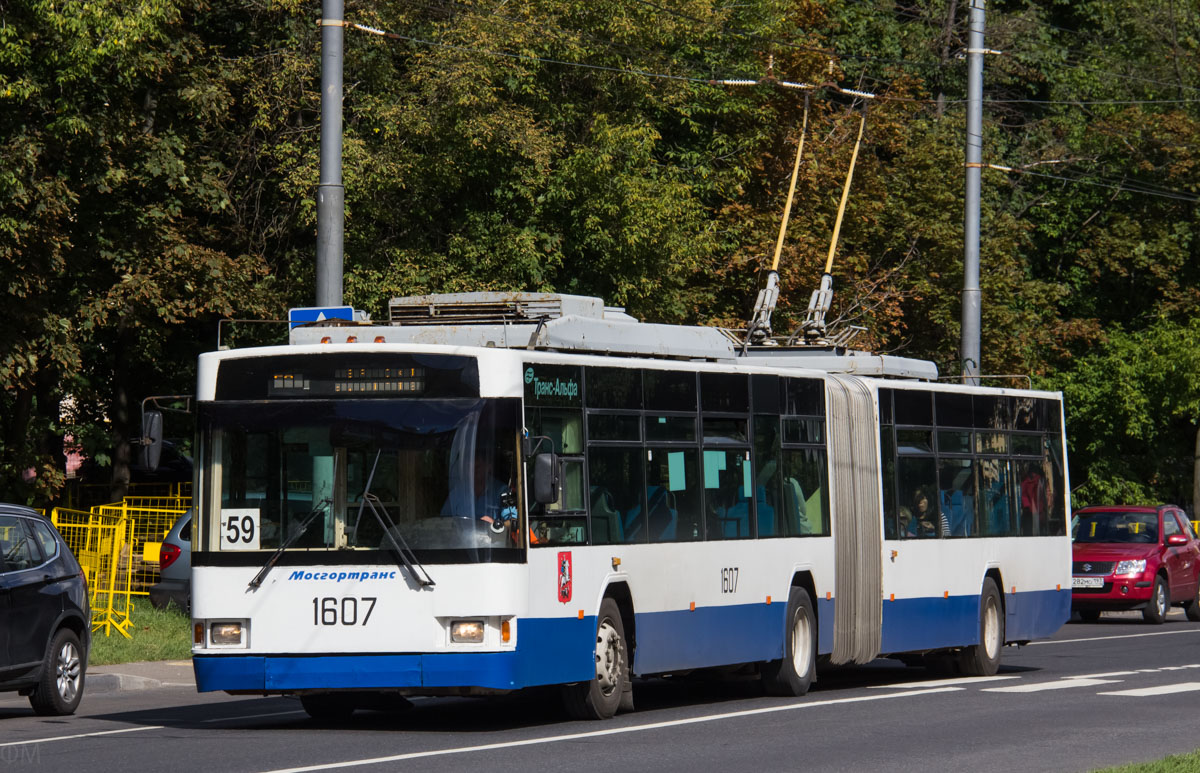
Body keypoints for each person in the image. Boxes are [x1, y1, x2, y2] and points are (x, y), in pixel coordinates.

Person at [441, 452, 514, 526]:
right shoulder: (457, 492)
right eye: (471, 468)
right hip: (462, 537)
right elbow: (443, 520)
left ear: (489, 467)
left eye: (477, 467)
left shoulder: (501, 491)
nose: (474, 471)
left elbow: (513, 522)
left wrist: (495, 525)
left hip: (492, 537)